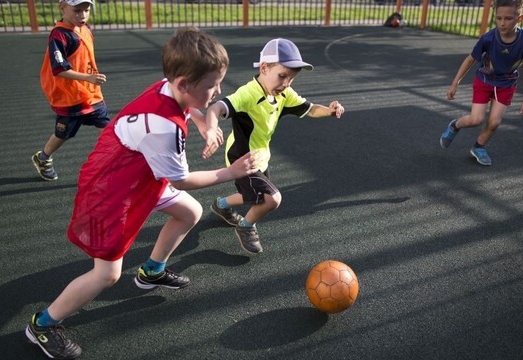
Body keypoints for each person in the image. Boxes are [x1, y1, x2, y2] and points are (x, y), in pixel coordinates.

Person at [25, 27, 260, 360]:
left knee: (189, 212)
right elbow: (181, 180)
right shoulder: (163, 128)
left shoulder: (169, 87)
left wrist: (206, 123)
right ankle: (42, 324)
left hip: (139, 175)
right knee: (106, 275)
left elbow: (189, 110)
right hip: (112, 189)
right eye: (212, 85)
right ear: (184, 84)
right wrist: (230, 173)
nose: (219, 90)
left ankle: (152, 270)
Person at [205, 38, 345, 255]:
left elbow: (309, 109)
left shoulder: (283, 94)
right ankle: (245, 226)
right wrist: (211, 129)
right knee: (272, 199)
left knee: (257, 197)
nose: (287, 83)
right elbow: (216, 108)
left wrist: (329, 110)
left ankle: (221, 204)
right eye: (282, 75)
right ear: (264, 68)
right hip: (242, 158)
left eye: (291, 78)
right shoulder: (249, 93)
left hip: (261, 156)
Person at [439, 0, 523, 166]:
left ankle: (479, 147)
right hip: (484, 80)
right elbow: (470, 59)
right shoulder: (489, 38)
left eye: (508, 18)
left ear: (519, 18)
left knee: (494, 123)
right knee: (476, 119)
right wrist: (455, 83)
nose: (502, 23)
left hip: (506, 84)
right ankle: (455, 125)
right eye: (498, 18)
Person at [32, 0, 109, 181]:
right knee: (63, 133)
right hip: (69, 96)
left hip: (91, 94)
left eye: (86, 10)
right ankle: (43, 157)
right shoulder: (59, 35)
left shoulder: (84, 29)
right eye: (77, 10)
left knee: (106, 129)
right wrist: (88, 78)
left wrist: (90, 81)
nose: (82, 15)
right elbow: (59, 70)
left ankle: (108, 163)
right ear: (62, 8)